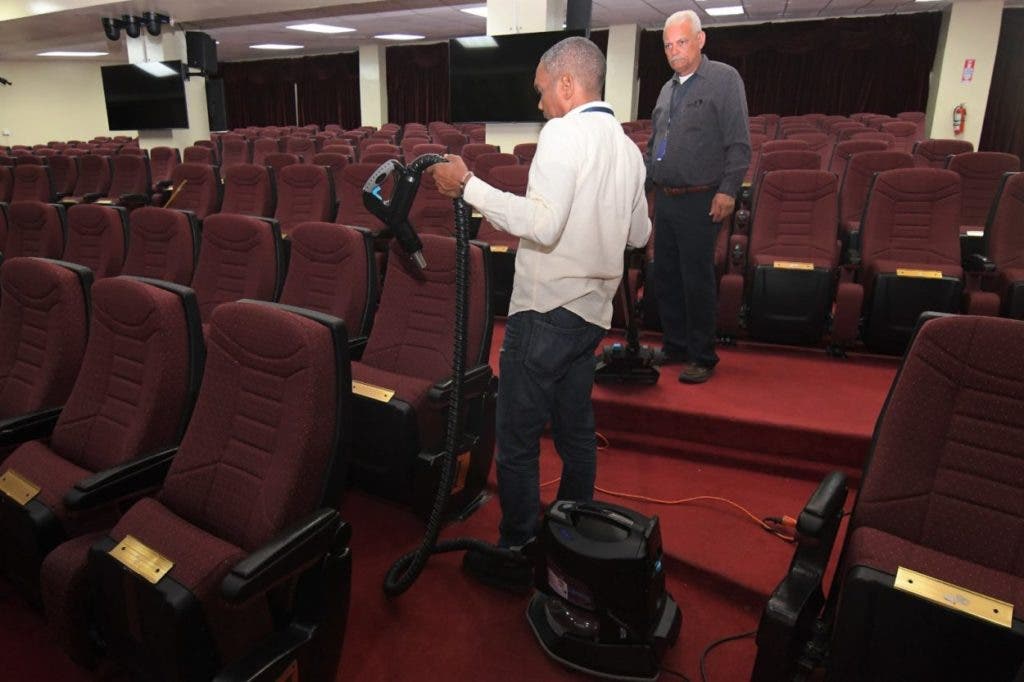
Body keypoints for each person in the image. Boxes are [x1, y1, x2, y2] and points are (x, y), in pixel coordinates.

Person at [430, 36, 651, 592]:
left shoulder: (562, 132)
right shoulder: (627, 149)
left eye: (542, 91)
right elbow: (640, 234)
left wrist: (469, 187)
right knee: (575, 428)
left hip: (547, 310)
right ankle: (571, 533)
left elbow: (545, 225)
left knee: (519, 437)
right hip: (592, 316)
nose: (540, 104)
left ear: (568, 85)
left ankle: (519, 548)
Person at [648, 9, 750, 384]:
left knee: (696, 279)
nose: (674, 51)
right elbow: (656, 143)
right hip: (667, 198)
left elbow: (739, 143)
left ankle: (702, 354)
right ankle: (675, 344)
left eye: (682, 42)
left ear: (700, 40)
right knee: (666, 275)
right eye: (668, 45)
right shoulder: (666, 89)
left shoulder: (724, 80)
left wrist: (727, 190)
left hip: (702, 198)